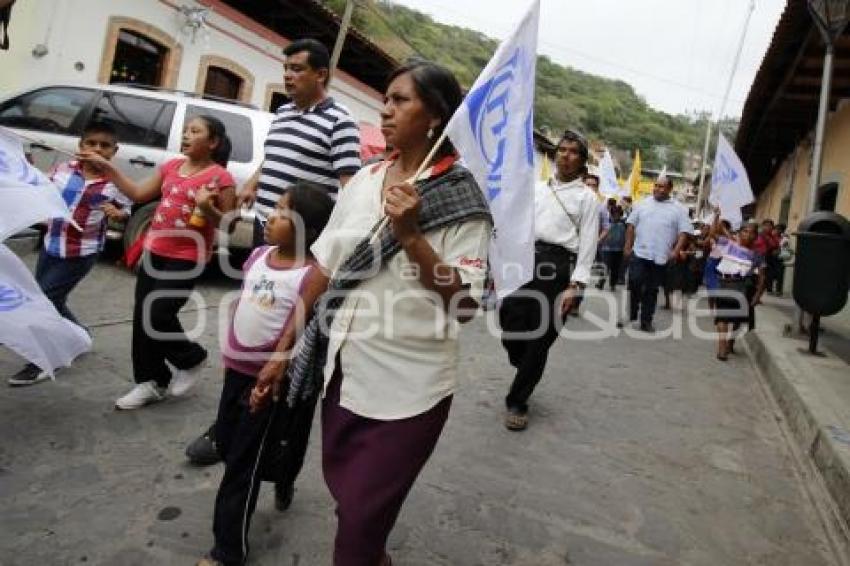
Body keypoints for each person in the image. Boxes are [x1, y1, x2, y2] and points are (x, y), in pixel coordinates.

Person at [251, 60, 492, 566]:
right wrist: (284, 349)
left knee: (358, 525)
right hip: (343, 374)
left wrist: (411, 236)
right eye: (385, 98)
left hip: (412, 389)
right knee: (351, 507)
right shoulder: (365, 180)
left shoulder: (462, 198)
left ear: (436, 116)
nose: (384, 111)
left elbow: (465, 302)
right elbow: (323, 267)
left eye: (400, 100)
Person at [185, 38, 362, 497]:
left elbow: (350, 188)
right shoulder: (283, 114)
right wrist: (254, 181)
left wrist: (331, 253)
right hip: (268, 241)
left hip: (306, 255)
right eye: (285, 69)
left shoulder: (339, 123)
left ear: (321, 74)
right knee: (251, 333)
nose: (288, 76)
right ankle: (229, 428)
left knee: (294, 358)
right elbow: (275, 156)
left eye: (298, 69)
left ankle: (281, 457)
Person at [196, 183, 334, 566]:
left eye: (284, 212)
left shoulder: (311, 276)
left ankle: (228, 550)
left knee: (243, 466)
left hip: (268, 383)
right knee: (226, 443)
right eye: (274, 207)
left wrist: (277, 368)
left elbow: (299, 332)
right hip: (235, 373)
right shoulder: (258, 254)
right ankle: (284, 467)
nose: (271, 215)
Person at [79, 115, 236, 409]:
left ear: (212, 142)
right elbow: (139, 193)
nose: (186, 135)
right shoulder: (171, 167)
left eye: (195, 131)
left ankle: (191, 358)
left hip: (187, 257)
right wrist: (110, 169)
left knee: (159, 314)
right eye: (186, 131)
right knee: (142, 317)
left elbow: (228, 223)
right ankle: (151, 382)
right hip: (154, 250)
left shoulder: (220, 178)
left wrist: (205, 207)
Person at [8, 122, 131, 386]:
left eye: (105, 145)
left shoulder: (115, 182)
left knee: (43, 302)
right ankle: (79, 335)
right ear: (81, 146)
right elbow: (40, 190)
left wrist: (118, 213)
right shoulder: (62, 170)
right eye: (92, 143)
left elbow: (126, 209)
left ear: (114, 151)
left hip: (81, 252)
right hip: (52, 244)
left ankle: (45, 359)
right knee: (54, 298)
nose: (97, 149)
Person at [499, 129, 599, 430]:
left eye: (573, 152)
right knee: (510, 322)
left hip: (559, 269)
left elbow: (589, 244)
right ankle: (524, 364)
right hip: (525, 260)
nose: (565, 155)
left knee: (540, 338)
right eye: (562, 149)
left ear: (581, 161)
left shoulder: (588, 199)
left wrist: (576, 285)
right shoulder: (537, 189)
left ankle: (518, 400)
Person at [621, 175, 691, 332]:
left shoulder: (679, 209)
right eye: (656, 186)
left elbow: (684, 233)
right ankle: (632, 313)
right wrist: (627, 246)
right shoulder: (642, 204)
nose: (657, 189)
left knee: (652, 290)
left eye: (662, 187)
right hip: (639, 252)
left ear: (669, 189)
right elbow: (631, 225)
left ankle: (646, 321)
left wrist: (675, 251)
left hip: (661, 257)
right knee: (634, 281)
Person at [709, 216, 765, 360]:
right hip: (724, 284)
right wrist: (716, 217)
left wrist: (757, 296)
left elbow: (762, 277)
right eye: (745, 231)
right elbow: (713, 234)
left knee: (738, 320)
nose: (748, 235)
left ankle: (730, 343)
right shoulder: (729, 244)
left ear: (756, 236)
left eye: (752, 232)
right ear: (739, 233)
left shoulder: (757, 256)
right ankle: (722, 347)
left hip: (743, 288)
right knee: (722, 316)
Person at [597, 205, 626, 291]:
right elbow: (601, 233)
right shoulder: (607, 224)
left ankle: (612, 284)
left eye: (618, 214)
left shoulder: (623, 224)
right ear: (611, 214)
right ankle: (601, 282)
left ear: (620, 215)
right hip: (607, 249)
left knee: (615, 268)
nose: (616, 216)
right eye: (614, 214)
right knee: (605, 266)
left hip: (619, 249)